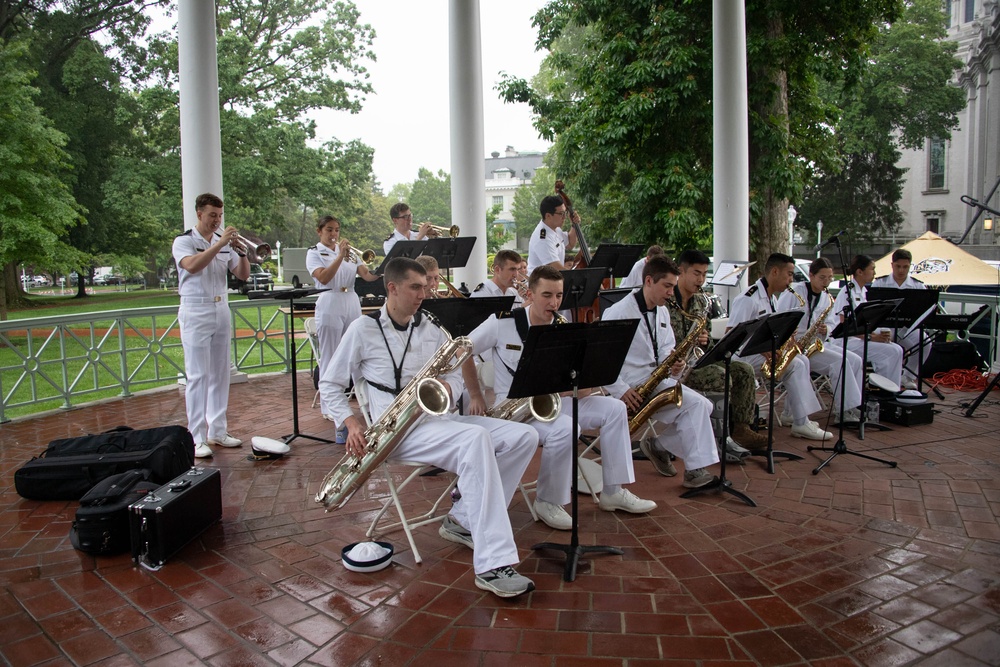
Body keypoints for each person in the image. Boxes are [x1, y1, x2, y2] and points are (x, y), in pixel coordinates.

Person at [320, 257, 539, 598]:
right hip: (397, 432)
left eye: (425, 286)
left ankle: (464, 519)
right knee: (476, 439)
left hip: (439, 421)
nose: (425, 293)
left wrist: (450, 389)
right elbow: (330, 384)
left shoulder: (431, 328)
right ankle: (492, 564)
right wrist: (349, 422)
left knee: (524, 436)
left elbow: (453, 373)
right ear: (391, 288)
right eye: (415, 287)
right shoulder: (362, 330)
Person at [463, 265, 657, 531]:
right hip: (514, 411)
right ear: (529, 294)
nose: (554, 303)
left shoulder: (564, 327)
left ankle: (613, 491)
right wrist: (475, 394)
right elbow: (463, 351)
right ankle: (548, 501)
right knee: (567, 428)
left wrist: (582, 384)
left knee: (614, 409)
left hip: (553, 403)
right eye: (546, 295)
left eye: (558, 295)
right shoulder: (502, 322)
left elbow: (582, 383)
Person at [601, 256, 720, 488]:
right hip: (631, 387)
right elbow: (602, 361)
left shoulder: (663, 311)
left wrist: (675, 366)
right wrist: (621, 390)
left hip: (655, 381)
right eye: (667, 286)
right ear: (648, 281)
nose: (671, 293)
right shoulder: (618, 313)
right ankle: (692, 469)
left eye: (673, 287)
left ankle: (660, 446)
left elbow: (666, 349)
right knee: (696, 406)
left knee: (704, 405)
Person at [172, 193, 249, 458]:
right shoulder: (184, 241)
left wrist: (242, 254)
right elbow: (192, 266)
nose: (216, 220)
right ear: (199, 214)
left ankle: (218, 429)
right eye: (212, 215)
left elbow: (241, 274)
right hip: (195, 308)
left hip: (220, 307)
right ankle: (196, 437)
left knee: (220, 373)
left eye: (219, 215)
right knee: (197, 376)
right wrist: (220, 245)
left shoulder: (221, 242)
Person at [666, 250, 764, 453]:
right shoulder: (666, 302)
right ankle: (720, 438)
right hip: (675, 368)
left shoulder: (701, 301)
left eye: (704, 274)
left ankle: (741, 429)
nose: (701, 280)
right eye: (696, 273)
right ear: (680, 271)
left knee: (744, 370)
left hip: (697, 360)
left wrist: (704, 340)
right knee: (721, 377)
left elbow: (708, 343)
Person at [727, 253, 833, 441]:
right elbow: (732, 335)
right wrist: (762, 349)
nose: (791, 280)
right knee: (796, 364)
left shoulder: (772, 298)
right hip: (743, 357)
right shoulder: (748, 298)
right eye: (789, 274)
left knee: (801, 359)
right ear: (775, 272)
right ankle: (801, 422)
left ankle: (797, 416)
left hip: (759, 354)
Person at [307, 216, 380, 430]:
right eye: (329, 230)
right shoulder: (314, 252)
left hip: (351, 299)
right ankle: (329, 407)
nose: (334, 234)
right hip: (329, 298)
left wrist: (383, 269)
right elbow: (324, 277)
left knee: (359, 350)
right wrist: (340, 256)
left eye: (337, 230)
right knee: (330, 353)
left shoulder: (352, 254)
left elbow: (366, 276)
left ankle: (365, 401)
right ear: (319, 231)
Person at [776, 257, 864, 421]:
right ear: (811, 275)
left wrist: (827, 328)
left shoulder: (826, 297)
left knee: (856, 360)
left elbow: (831, 321)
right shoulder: (794, 293)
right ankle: (843, 411)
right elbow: (779, 318)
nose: (827, 282)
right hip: (795, 346)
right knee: (841, 363)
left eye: (830, 278)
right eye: (822, 277)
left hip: (816, 343)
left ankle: (853, 405)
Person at [831, 255, 905, 388]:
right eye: (872, 269)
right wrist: (872, 337)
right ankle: (882, 389)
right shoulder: (847, 292)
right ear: (860, 272)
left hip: (859, 339)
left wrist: (878, 335)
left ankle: (892, 389)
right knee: (891, 353)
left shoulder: (863, 291)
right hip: (846, 341)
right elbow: (845, 325)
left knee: (897, 349)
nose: (874, 273)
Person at [871, 248, 928, 386]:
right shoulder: (880, 283)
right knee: (879, 341)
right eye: (898, 266)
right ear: (892, 265)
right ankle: (882, 377)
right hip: (885, 326)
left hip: (907, 327)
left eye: (905, 267)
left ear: (910, 266)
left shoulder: (918, 285)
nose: (901, 270)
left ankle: (908, 377)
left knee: (925, 342)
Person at [527, 195, 579, 273]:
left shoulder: (556, 229)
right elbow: (556, 268)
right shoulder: (542, 238)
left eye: (565, 213)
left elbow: (570, 244)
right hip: (540, 283)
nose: (564, 217)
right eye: (561, 213)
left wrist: (574, 225)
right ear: (548, 216)